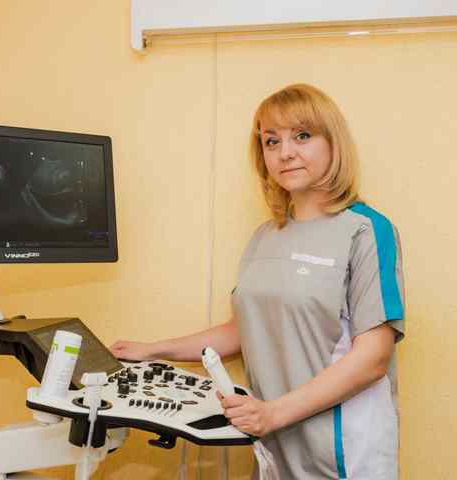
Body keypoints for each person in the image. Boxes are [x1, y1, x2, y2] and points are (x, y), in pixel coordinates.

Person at [110, 83, 405, 480]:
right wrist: (154, 350)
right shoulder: (265, 236)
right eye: (271, 141)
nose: (285, 153)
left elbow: (373, 357)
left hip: (344, 450)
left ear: (333, 143)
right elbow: (245, 329)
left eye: (303, 135)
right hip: (274, 439)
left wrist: (273, 414)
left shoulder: (366, 230)